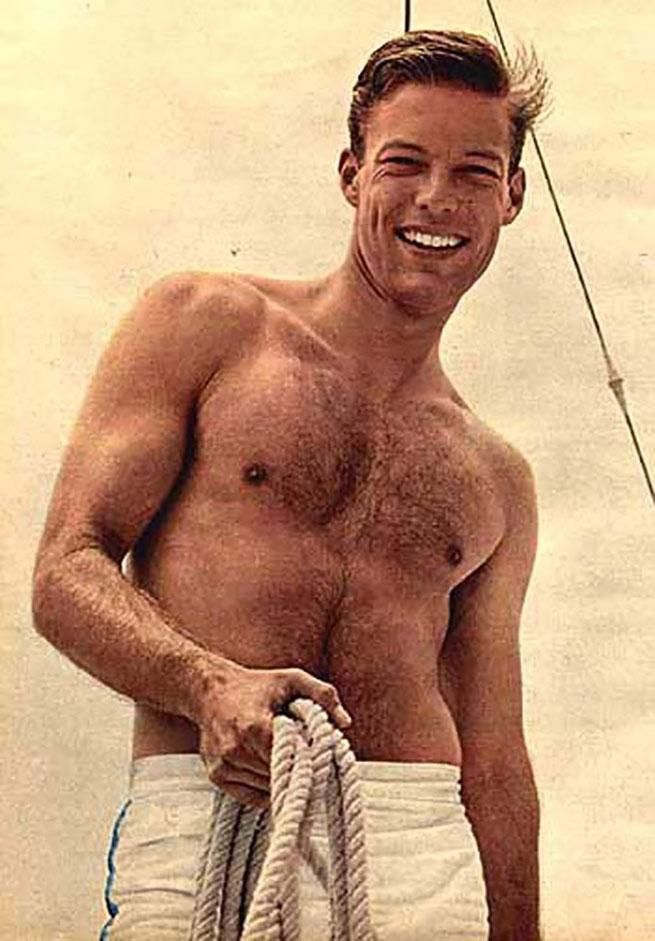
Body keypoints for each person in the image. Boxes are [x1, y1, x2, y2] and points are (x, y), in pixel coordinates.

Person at [32, 29, 547, 941]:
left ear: (509, 196)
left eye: (474, 171)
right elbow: (65, 570)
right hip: (209, 820)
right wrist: (206, 686)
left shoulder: (495, 475)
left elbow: (496, 759)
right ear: (351, 174)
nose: (436, 197)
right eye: (404, 162)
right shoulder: (206, 323)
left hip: (421, 857)